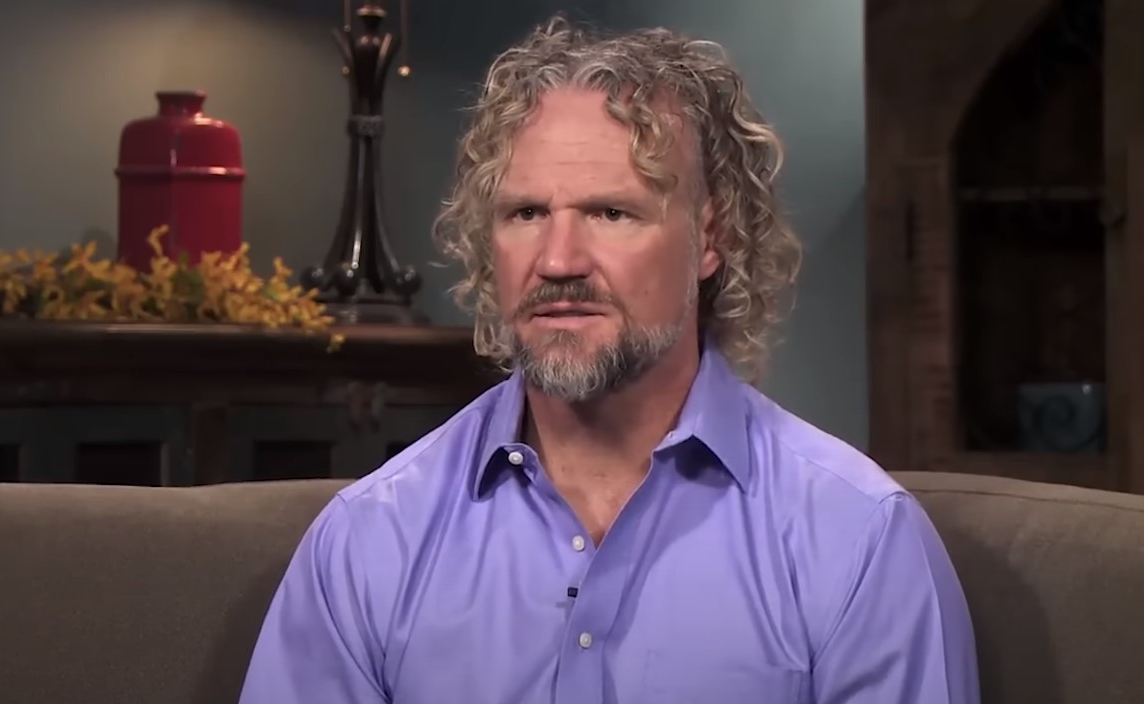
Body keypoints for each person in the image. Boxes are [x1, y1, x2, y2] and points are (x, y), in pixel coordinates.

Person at [237, 15, 979, 704]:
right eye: (526, 213)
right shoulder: (370, 540)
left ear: (712, 238)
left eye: (611, 212)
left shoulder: (857, 539)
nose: (559, 259)